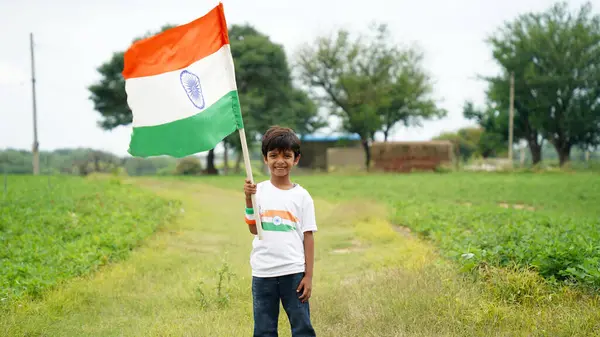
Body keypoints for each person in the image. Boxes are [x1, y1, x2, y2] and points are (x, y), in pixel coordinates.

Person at [243, 126, 317, 337]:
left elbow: (308, 236)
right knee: (264, 329)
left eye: (287, 155)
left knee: (302, 326)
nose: (280, 161)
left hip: (293, 273)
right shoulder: (259, 191)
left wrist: (308, 276)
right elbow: (253, 228)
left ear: (296, 159)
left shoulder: (302, 196)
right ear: (265, 159)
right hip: (263, 273)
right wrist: (248, 198)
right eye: (273, 155)